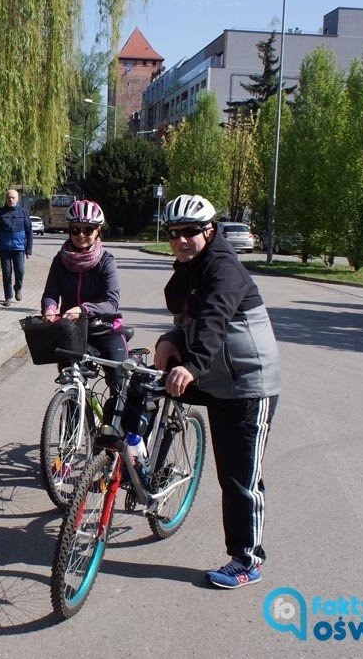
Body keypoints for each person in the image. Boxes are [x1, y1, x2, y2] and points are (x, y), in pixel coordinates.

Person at [154, 194, 281, 589]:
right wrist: (169, 339)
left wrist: (189, 366)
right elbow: (185, 316)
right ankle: (146, 469)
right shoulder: (190, 267)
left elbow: (212, 323)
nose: (181, 240)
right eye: (174, 233)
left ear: (210, 230)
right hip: (212, 377)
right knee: (145, 387)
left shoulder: (224, 269)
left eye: (190, 232)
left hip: (247, 385)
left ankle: (248, 559)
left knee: (239, 476)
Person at [40, 200, 127, 391]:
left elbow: (112, 303)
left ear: (98, 231)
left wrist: (83, 309)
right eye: (75, 229)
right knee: (71, 383)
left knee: (120, 388)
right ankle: (74, 412)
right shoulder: (60, 260)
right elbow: (51, 293)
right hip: (72, 331)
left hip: (105, 330)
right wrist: (50, 308)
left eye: (88, 230)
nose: (81, 235)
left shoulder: (106, 261)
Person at [0, 188, 32, 306]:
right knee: (7, 273)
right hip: (4, 248)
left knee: (20, 271)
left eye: (13, 197)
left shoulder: (23, 212)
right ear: (6, 199)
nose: (10, 199)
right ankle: (8, 297)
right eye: (8, 197)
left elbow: (29, 231)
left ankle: (18, 288)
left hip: (19, 248)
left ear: (17, 199)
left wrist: (28, 249)